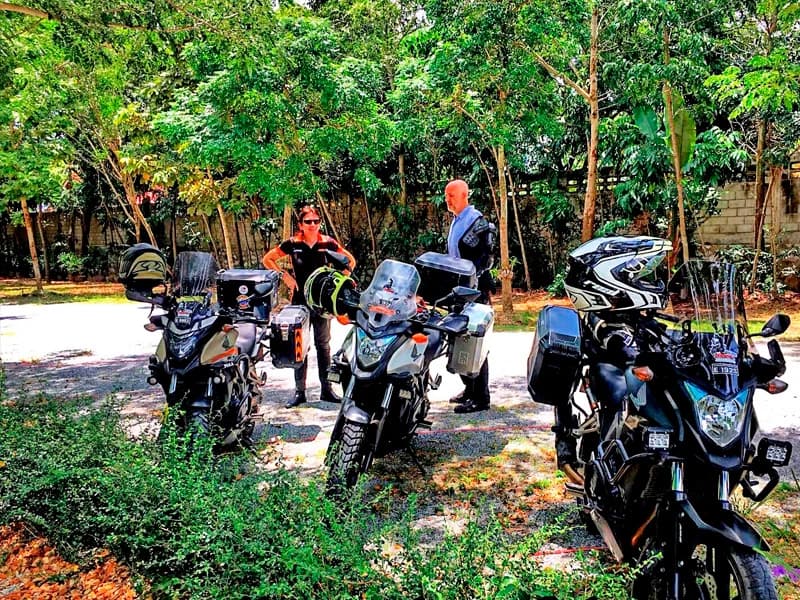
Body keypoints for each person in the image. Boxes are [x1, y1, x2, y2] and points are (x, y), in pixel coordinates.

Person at [263, 205, 356, 408]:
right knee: (300, 347)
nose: (312, 225)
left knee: (323, 346)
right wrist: (285, 276)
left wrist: (338, 284)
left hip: (321, 303)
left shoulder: (327, 243)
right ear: (301, 224)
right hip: (299, 302)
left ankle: (327, 390)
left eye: (315, 221)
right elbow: (268, 259)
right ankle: (300, 392)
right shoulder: (293, 244)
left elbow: (350, 261)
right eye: (308, 222)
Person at [443, 179, 495, 414]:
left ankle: (481, 397)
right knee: (458, 340)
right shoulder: (457, 220)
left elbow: (485, 260)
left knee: (475, 341)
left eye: (451, 195)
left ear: (464, 195)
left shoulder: (477, 221)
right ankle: (469, 388)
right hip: (458, 290)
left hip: (474, 291)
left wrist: (474, 285)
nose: (447, 199)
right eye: (446, 195)